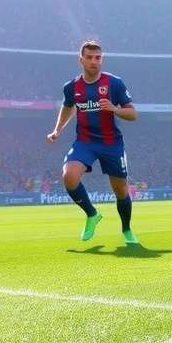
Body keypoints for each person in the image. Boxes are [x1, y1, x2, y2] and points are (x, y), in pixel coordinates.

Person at [46, 41, 139, 244]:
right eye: (89, 57)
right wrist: (57, 129)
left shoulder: (114, 83)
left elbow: (133, 114)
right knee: (69, 176)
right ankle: (91, 214)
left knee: (121, 190)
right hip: (85, 142)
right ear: (81, 60)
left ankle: (126, 229)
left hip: (111, 143)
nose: (94, 61)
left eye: (98, 58)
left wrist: (114, 109)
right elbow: (68, 107)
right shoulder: (71, 87)